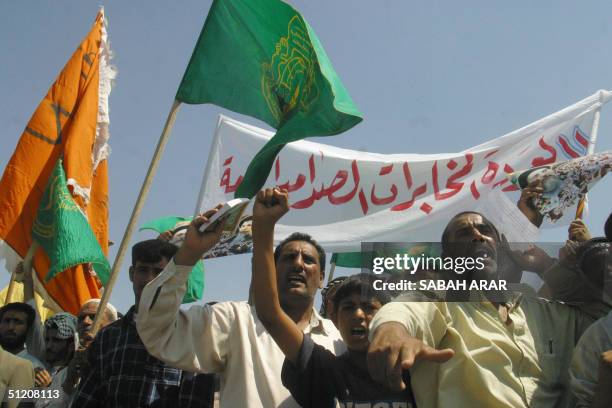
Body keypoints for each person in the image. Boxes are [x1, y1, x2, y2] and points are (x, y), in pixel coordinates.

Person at [366, 211, 610, 408]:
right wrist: (391, 329)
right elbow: (406, 310)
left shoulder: (541, 310)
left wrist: (547, 267)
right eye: (464, 233)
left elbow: (603, 319)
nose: (477, 236)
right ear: (448, 254)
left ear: (501, 247)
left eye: (485, 230)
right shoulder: (442, 302)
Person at [136, 202, 345, 408]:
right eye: (289, 258)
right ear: (271, 269)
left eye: (308, 259)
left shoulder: (338, 339)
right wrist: (189, 253)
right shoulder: (234, 319)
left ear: (321, 278)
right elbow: (158, 332)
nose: (298, 264)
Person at [250, 187, 415, 407]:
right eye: (348, 307)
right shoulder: (323, 369)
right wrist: (263, 228)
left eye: (368, 307)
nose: (358, 314)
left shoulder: (413, 368)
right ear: (335, 320)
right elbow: (270, 313)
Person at [71, 239, 215, 407]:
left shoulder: (190, 336)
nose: (149, 279)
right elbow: (87, 399)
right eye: (143, 270)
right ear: (132, 274)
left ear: (172, 278)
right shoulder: (107, 338)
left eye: (158, 272)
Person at [0, 302, 45, 369]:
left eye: (18, 322)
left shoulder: (34, 367)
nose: (10, 327)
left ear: (28, 328)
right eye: (7, 321)